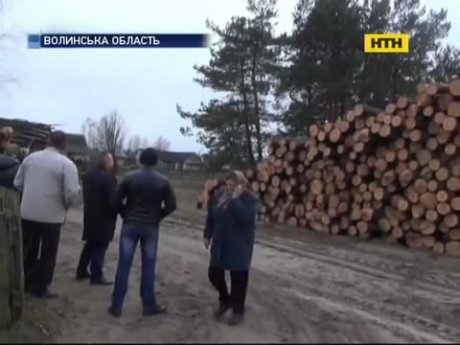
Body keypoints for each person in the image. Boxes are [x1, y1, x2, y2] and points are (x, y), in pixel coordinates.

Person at [109, 147, 177, 317]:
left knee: (124, 264)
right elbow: (171, 206)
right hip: (151, 227)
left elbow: (115, 200)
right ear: (155, 162)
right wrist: (158, 216)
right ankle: (149, 304)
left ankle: (117, 305)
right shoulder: (163, 181)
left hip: (130, 224)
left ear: (140, 160)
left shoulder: (129, 177)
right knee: (149, 266)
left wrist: (125, 213)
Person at [14, 130, 81, 299]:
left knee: (28, 249)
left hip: (27, 212)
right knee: (48, 253)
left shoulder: (30, 159)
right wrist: (66, 206)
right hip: (51, 217)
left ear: (48, 142)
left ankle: (25, 282)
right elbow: (72, 194)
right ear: (64, 144)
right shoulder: (67, 164)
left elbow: (18, 183)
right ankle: (40, 287)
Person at [204, 170, 258, 326]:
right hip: (220, 243)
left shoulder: (249, 199)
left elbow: (246, 218)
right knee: (214, 273)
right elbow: (211, 216)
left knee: (238, 278)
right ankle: (225, 300)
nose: (229, 188)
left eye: (233, 185)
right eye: (228, 184)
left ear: (241, 185)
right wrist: (207, 234)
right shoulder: (219, 196)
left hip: (239, 244)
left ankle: (237, 310)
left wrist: (235, 201)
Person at [76, 152, 117, 285]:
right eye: (111, 160)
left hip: (90, 214)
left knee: (90, 244)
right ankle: (96, 276)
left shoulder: (88, 175)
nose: (113, 163)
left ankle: (81, 271)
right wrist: (117, 210)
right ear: (107, 162)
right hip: (104, 217)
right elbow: (112, 200)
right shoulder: (109, 179)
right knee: (100, 246)